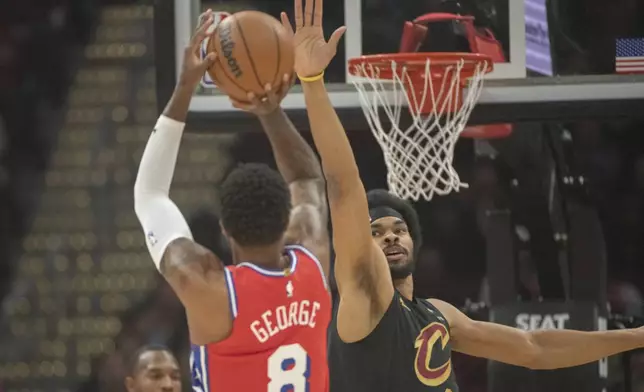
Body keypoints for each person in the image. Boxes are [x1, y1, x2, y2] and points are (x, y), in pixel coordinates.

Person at [282, 0, 644, 391]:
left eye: (398, 229)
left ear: (413, 241)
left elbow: (534, 347)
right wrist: (313, 82)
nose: (389, 236)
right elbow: (342, 184)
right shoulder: (362, 299)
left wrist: (635, 338)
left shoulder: (439, 315)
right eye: (376, 231)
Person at [133, 9, 331, 392]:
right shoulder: (313, 261)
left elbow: (150, 195)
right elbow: (307, 178)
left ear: (224, 230)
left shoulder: (208, 287)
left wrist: (185, 89)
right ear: (287, 218)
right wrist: (270, 111)